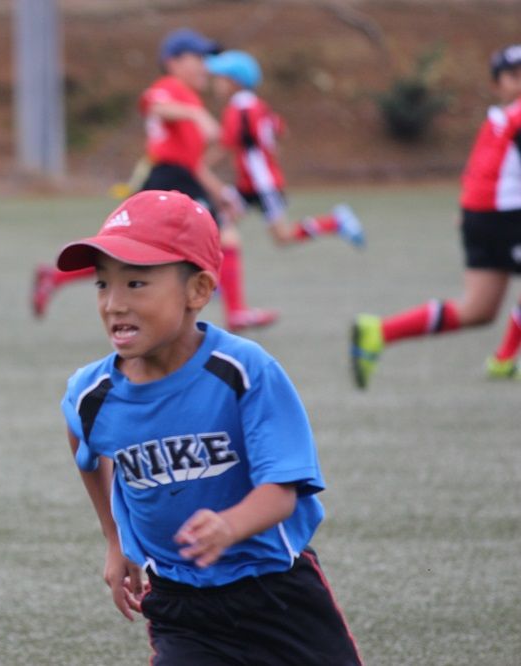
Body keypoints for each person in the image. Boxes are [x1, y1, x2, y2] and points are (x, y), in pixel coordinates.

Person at [56, 190, 362, 665]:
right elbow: (84, 445)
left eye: (136, 283)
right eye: (102, 284)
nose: (114, 303)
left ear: (198, 290)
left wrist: (229, 526)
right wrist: (115, 541)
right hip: (180, 605)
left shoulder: (243, 371)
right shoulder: (90, 393)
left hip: (277, 595)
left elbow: (282, 492)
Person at [34, 29, 276, 332]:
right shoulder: (170, 87)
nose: (205, 65)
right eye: (198, 57)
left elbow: (192, 162)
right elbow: (155, 106)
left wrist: (219, 192)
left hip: (182, 177)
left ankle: (55, 277)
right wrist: (194, 114)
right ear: (173, 62)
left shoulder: (189, 97)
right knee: (213, 238)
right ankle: (235, 311)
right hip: (167, 178)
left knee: (138, 253)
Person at [351, 44, 521, 388]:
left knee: (478, 310)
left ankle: (379, 332)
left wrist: (467, 209)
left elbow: (479, 169)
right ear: (496, 84)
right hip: (504, 218)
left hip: (482, 217)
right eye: (515, 76)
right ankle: (503, 358)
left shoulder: (498, 119)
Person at [205, 50, 365, 249]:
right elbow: (279, 129)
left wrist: (199, 164)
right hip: (249, 183)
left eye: (220, 78)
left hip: (262, 183)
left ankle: (335, 222)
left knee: (281, 236)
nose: (215, 83)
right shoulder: (258, 105)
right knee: (217, 229)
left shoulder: (239, 108)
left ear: (234, 81)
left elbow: (225, 144)